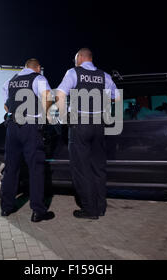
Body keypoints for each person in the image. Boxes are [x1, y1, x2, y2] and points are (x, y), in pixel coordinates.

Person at [55, 48, 118, 219]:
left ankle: (90, 210)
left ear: (82, 58)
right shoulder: (104, 75)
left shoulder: (74, 73)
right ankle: (101, 207)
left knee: (82, 169)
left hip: (80, 124)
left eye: (76, 59)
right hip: (99, 125)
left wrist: (63, 118)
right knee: (98, 168)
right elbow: (116, 97)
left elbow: (60, 94)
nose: (75, 62)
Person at [1, 58, 55, 222]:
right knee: (36, 168)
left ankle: (6, 208)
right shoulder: (38, 78)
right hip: (30, 127)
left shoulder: (11, 81)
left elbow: (6, 105)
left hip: (12, 127)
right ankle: (38, 211)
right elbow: (48, 97)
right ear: (37, 68)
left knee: (11, 168)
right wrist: (44, 115)